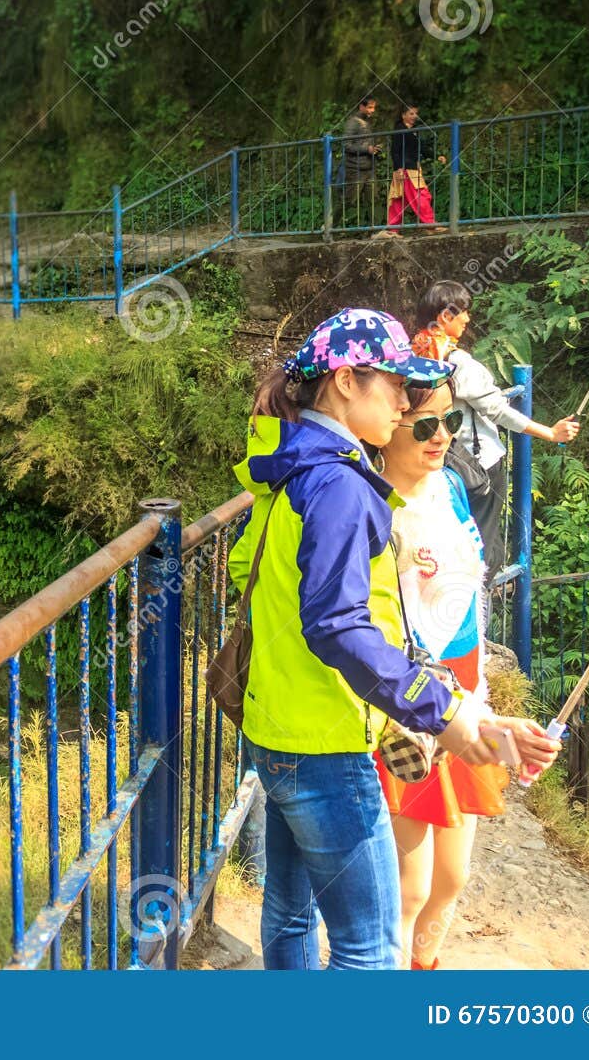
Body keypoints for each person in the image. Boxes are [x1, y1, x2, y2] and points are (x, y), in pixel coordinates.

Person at [229, 307, 561, 970]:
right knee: (369, 945)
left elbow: (260, 577)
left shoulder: (289, 465)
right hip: (328, 744)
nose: (407, 403)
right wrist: (442, 710)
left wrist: (468, 712)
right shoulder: (341, 485)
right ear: (347, 381)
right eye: (397, 386)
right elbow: (341, 625)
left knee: (291, 917)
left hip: (275, 729)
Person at [373, 379, 557, 969]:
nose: (443, 436)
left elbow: (469, 606)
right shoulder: (369, 504)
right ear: (386, 425)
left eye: (448, 421)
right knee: (409, 891)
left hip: (464, 691)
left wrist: (491, 721)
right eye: (425, 425)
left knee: (452, 882)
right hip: (405, 703)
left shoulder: (452, 485)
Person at [410, 280, 581, 574]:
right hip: (479, 466)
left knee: (451, 538)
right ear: (445, 317)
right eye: (463, 311)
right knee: (482, 543)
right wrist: (550, 433)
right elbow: (498, 410)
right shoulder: (459, 362)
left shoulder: (416, 353)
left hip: (438, 462)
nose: (468, 318)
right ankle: (481, 605)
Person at [384, 102, 446, 236]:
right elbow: (395, 151)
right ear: (403, 115)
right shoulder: (399, 129)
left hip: (410, 168)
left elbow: (421, 148)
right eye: (411, 113)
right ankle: (430, 225)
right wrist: (399, 168)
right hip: (405, 169)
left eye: (415, 113)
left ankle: (393, 229)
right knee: (421, 196)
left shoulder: (413, 130)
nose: (414, 116)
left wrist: (436, 156)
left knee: (399, 200)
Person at [340, 95, 381, 225]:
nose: (372, 110)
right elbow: (346, 144)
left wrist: (375, 148)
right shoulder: (353, 122)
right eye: (369, 107)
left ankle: (375, 230)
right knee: (348, 200)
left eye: (373, 108)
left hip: (369, 167)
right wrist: (366, 150)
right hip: (355, 168)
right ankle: (328, 227)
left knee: (374, 199)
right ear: (361, 107)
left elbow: (365, 142)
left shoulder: (367, 122)